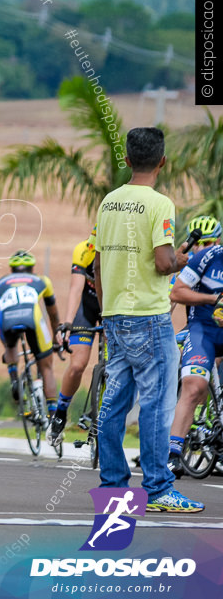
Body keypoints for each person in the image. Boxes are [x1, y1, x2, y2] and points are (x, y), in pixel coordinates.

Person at [93, 126, 202, 512]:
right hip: (150, 317)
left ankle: (113, 486)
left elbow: (98, 261)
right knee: (158, 404)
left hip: (115, 314)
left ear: (126, 160)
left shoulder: (108, 202)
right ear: (162, 162)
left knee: (114, 403)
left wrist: (107, 313)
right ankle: (158, 489)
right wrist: (182, 260)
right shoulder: (160, 205)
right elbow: (162, 262)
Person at [167, 215, 223, 477]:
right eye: (201, 242)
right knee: (194, 386)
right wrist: (213, 299)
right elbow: (174, 295)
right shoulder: (206, 257)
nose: (204, 246)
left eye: (210, 241)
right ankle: (173, 454)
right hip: (202, 330)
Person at [0, 250, 62, 420]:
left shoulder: (0, 283)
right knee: (46, 367)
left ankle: (14, 377)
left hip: (7, 319)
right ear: (32, 268)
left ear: (12, 269)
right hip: (32, 317)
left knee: (10, 347)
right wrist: (55, 338)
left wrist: (6, 347)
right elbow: (53, 314)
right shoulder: (42, 280)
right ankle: (54, 417)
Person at [49, 225, 101, 447]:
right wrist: (68, 324)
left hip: (113, 306)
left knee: (118, 364)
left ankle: (102, 412)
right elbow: (75, 289)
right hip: (87, 307)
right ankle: (60, 412)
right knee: (78, 364)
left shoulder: (125, 254)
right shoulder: (84, 249)